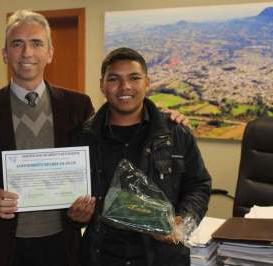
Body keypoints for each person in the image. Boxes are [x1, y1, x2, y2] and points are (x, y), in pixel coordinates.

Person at [0, 10, 96, 266]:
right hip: (2, 244)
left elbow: (100, 161)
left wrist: (169, 120)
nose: (27, 52)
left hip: (62, 242)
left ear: (50, 53)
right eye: (17, 44)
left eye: (36, 43)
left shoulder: (78, 106)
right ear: (5, 54)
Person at [72, 47, 211, 266]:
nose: (125, 87)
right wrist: (75, 215)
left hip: (163, 258)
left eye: (134, 78)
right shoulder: (83, 138)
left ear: (147, 82)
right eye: (114, 79)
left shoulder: (175, 133)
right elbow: (71, 196)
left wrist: (181, 222)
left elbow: (199, 185)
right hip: (101, 257)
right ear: (102, 85)